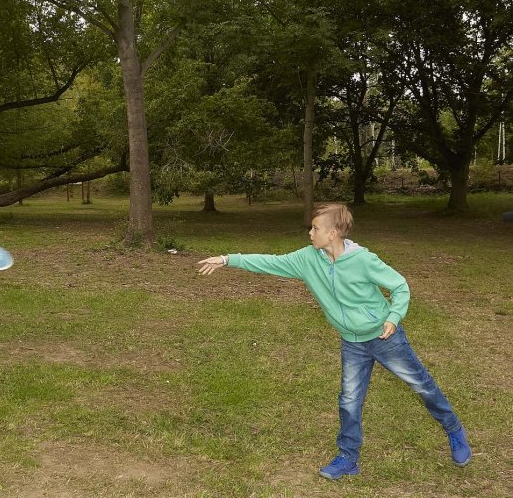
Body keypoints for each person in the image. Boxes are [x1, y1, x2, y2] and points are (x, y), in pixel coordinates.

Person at [197, 202, 472, 480]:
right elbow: (271, 261)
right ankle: (348, 458)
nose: (310, 233)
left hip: (384, 337)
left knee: (421, 385)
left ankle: (454, 430)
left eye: (315, 228)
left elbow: (399, 285)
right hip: (352, 342)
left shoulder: (363, 260)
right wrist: (227, 259)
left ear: (334, 233)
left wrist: (393, 317)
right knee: (349, 400)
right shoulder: (308, 259)